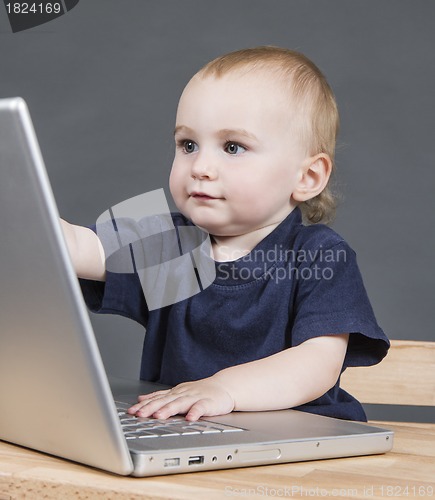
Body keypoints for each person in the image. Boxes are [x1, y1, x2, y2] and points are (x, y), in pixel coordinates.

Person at [61, 46, 389, 423]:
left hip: (294, 441)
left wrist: (224, 389)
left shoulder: (321, 255)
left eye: (233, 147)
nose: (200, 166)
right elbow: (74, 247)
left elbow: (317, 365)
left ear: (307, 177)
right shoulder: (166, 237)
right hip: (185, 435)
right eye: (188, 145)